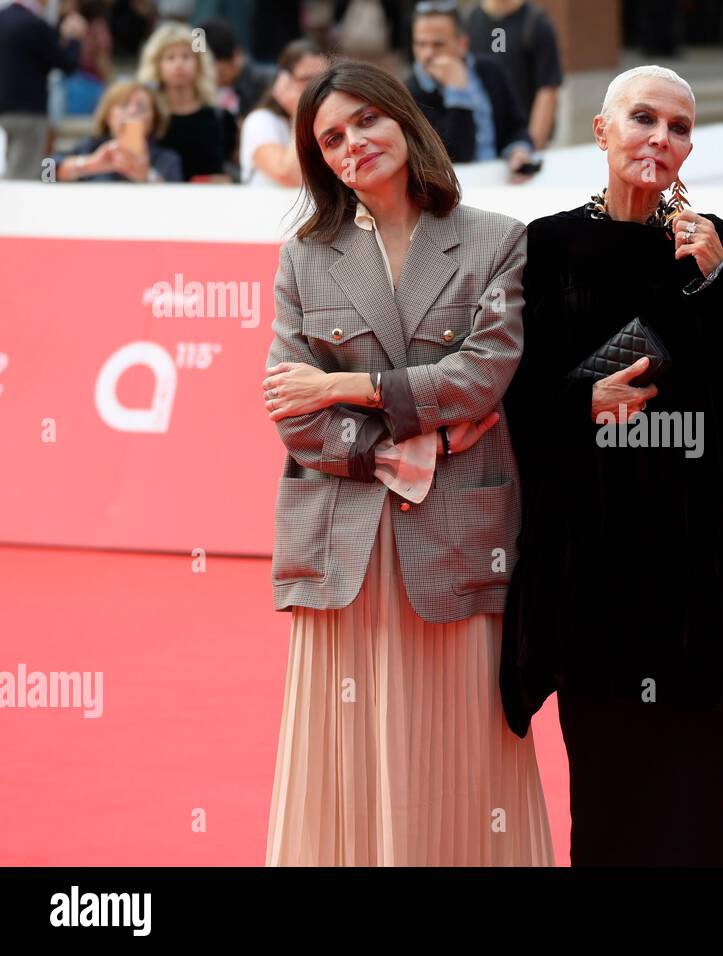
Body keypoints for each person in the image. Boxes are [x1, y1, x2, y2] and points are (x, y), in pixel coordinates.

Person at [260, 59, 552, 867]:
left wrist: (348, 384)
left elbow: (484, 375)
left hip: (460, 540)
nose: (352, 144)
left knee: (461, 744)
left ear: (402, 121)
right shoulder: (304, 260)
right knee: (347, 751)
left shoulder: (496, 240)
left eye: (364, 122)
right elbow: (295, 414)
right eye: (330, 138)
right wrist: (411, 447)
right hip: (342, 543)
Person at [498, 65, 723, 866]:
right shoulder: (547, 244)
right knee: (609, 799)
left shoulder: (713, 239)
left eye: (680, 127)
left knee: (694, 806)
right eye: (644, 119)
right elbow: (508, 393)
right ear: (602, 130)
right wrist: (579, 406)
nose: (661, 139)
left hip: (698, 572)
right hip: (597, 567)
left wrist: (722, 276)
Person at [406, 0, 535, 179]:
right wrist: (457, 92)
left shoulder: (490, 71)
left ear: (462, 44)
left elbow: (517, 126)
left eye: (438, 45)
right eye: (421, 45)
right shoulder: (410, 94)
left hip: (503, 181)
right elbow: (455, 156)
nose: (428, 54)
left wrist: (518, 150)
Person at [137, 20, 237, 180]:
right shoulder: (150, 118)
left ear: (199, 64)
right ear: (157, 66)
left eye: (186, 56)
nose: (179, 64)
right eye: (170, 58)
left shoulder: (220, 117)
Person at [0, 0, 86, 180]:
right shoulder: (35, 25)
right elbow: (67, 64)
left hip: (7, 110)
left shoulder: (4, 19)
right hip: (29, 113)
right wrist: (74, 39)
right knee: (22, 176)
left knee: (16, 168)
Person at [466, 0, 562, 149]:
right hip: (482, 144)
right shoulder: (469, 20)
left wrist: (530, 148)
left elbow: (547, 90)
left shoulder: (535, 22)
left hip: (522, 139)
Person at [52, 78, 182, 181]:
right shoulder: (90, 147)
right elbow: (45, 172)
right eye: (124, 105)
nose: (132, 111)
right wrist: (87, 164)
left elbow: (178, 199)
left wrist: (147, 177)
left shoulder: (167, 159)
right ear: (108, 115)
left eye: (141, 107)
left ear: (153, 120)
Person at [239, 40, 327, 187]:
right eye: (307, 79)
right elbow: (288, 176)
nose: (317, 86)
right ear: (284, 81)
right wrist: (299, 111)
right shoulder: (260, 120)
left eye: (323, 78)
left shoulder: (327, 120)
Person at [200, 15, 273, 119]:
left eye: (220, 73)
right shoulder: (199, 87)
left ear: (236, 56)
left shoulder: (268, 84)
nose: (212, 78)